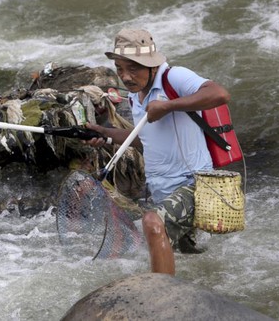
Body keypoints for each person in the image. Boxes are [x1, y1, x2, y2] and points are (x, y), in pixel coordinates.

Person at [86, 28, 230, 275]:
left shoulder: (174, 78)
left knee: (153, 224)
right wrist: (104, 133)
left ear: (151, 65)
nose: (126, 77)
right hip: (163, 189)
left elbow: (219, 94)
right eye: (120, 69)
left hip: (195, 183)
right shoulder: (135, 97)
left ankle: (161, 297)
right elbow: (144, 141)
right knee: (188, 256)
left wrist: (168, 106)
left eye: (134, 68)